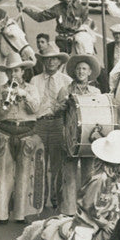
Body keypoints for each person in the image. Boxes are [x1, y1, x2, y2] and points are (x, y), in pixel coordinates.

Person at [0, 52, 43, 224]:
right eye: (10, 72)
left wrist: (24, 95)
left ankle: (20, 214)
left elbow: (36, 109)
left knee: (24, 174)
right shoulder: (1, 90)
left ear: (23, 72)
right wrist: (5, 103)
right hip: (5, 132)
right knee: (4, 174)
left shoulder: (31, 89)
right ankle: (2, 215)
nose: (13, 75)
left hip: (25, 133)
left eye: (16, 71)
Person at [57, 54, 102, 216]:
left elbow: (101, 114)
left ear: (90, 72)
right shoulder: (66, 90)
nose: (81, 72)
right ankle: (68, 211)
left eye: (84, 69)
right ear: (74, 71)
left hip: (89, 137)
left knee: (89, 174)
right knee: (69, 174)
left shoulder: (96, 92)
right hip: (70, 136)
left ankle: (87, 208)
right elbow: (56, 111)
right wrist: (64, 104)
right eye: (78, 69)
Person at [27, 44, 71, 209]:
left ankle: (57, 199)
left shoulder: (67, 81)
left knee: (57, 164)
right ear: (43, 61)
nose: (51, 62)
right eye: (47, 59)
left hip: (58, 123)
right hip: (39, 123)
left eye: (54, 58)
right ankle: (39, 199)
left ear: (59, 61)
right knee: (39, 162)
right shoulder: (35, 80)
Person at [20, 0, 88, 54]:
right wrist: (25, 9)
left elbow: (85, 24)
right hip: (62, 41)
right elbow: (39, 17)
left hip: (78, 40)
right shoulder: (57, 8)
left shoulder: (82, 9)